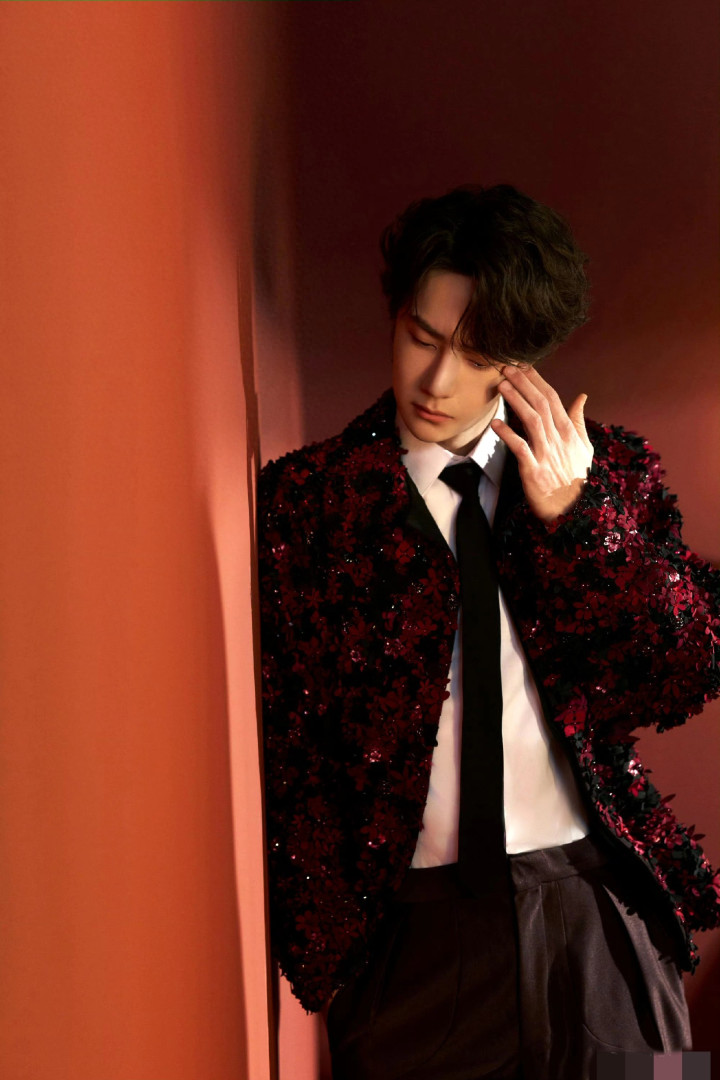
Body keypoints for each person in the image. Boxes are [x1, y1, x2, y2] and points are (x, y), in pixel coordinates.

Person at [258, 184, 720, 1080]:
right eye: (421, 337)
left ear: (524, 363)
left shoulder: (609, 475)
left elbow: (686, 666)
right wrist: (338, 954)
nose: (438, 382)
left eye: (476, 358)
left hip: (601, 919)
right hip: (415, 952)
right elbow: (294, 745)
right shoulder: (310, 506)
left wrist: (577, 522)